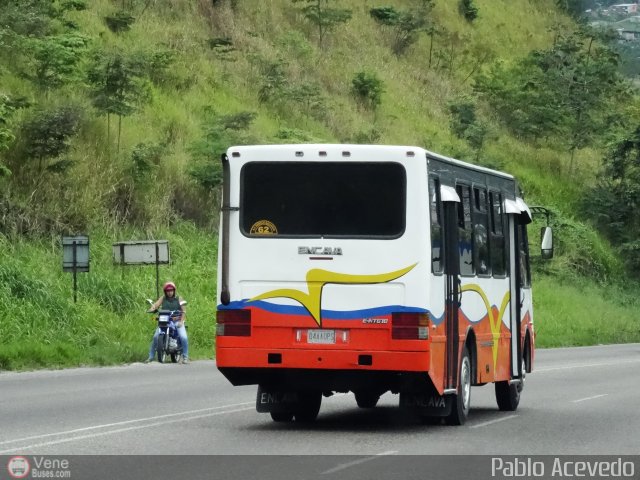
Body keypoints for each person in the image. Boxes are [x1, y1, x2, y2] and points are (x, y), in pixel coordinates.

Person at [145, 281, 189, 364]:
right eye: (168, 291)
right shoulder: (163, 298)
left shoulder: (179, 298)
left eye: (171, 290)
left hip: (176, 321)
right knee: (155, 337)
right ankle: (150, 357)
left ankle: (185, 357)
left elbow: (184, 311)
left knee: (183, 337)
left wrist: (181, 321)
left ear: (174, 290)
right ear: (165, 292)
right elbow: (156, 305)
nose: (169, 292)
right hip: (165, 322)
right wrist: (152, 308)